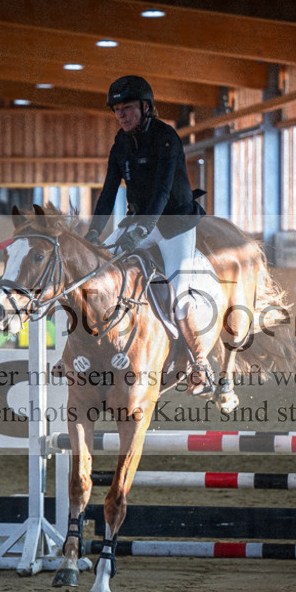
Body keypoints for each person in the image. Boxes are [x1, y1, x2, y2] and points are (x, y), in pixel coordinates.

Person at [85, 75, 212, 396]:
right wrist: (93, 232)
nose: (121, 115)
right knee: (98, 271)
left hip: (175, 224)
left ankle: (200, 364)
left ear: (145, 107)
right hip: (140, 220)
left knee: (179, 294)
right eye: (116, 110)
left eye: (127, 108)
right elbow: (109, 190)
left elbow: (162, 190)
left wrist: (139, 230)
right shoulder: (121, 142)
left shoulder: (165, 137)